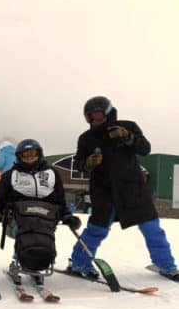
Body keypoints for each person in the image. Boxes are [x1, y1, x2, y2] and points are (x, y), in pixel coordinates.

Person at [68, 96, 177, 279]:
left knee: (152, 228)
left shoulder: (128, 126)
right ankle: (80, 263)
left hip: (133, 188)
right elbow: (78, 164)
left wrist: (128, 137)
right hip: (103, 191)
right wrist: (87, 163)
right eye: (89, 117)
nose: (94, 120)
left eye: (97, 115)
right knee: (97, 230)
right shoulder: (86, 138)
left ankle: (166, 265)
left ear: (108, 112)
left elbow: (145, 149)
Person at [0, 139, 80, 286]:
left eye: (33, 154)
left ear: (39, 154)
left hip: (45, 217)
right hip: (17, 217)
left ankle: (41, 259)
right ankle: (21, 258)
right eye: (26, 155)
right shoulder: (11, 175)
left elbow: (60, 199)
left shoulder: (51, 174)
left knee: (43, 232)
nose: (30, 157)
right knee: (25, 230)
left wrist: (66, 215)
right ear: (19, 156)